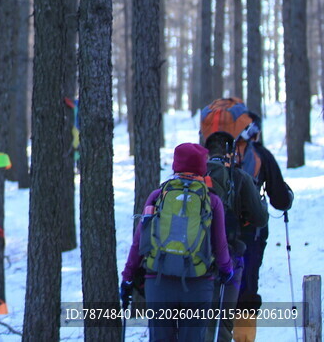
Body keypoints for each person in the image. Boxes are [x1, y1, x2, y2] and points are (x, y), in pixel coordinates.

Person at [121, 143, 233, 342]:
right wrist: (226, 270)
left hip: (159, 281)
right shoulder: (212, 201)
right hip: (198, 282)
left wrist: (128, 276)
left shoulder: (157, 197)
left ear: (175, 165)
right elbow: (220, 244)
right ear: (202, 167)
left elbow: (139, 242)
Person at [233, 112, 294, 342]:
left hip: (216, 230)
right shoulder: (261, 155)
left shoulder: (217, 155)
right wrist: (288, 196)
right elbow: (279, 199)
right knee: (247, 288)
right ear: (255, 131)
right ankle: (244, 338)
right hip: (251, 233)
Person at [203, 131, 268, 342]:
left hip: (191, 259)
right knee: (222, 321)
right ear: (231, 152)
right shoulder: (239, 177)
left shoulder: (190, 177)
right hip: (229, 259)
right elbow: (260, 218)